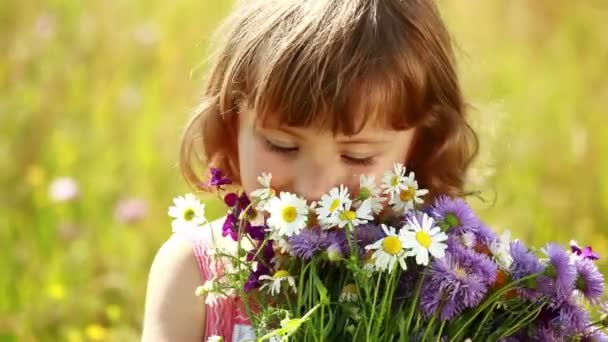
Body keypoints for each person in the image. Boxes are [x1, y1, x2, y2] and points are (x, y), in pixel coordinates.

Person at [142, 0, 478, 340]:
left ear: (422, 145)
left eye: (358, 156)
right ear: (231, 125)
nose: (315, 188)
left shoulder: (438, 288)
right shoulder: (197, 275)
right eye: (281, 146)